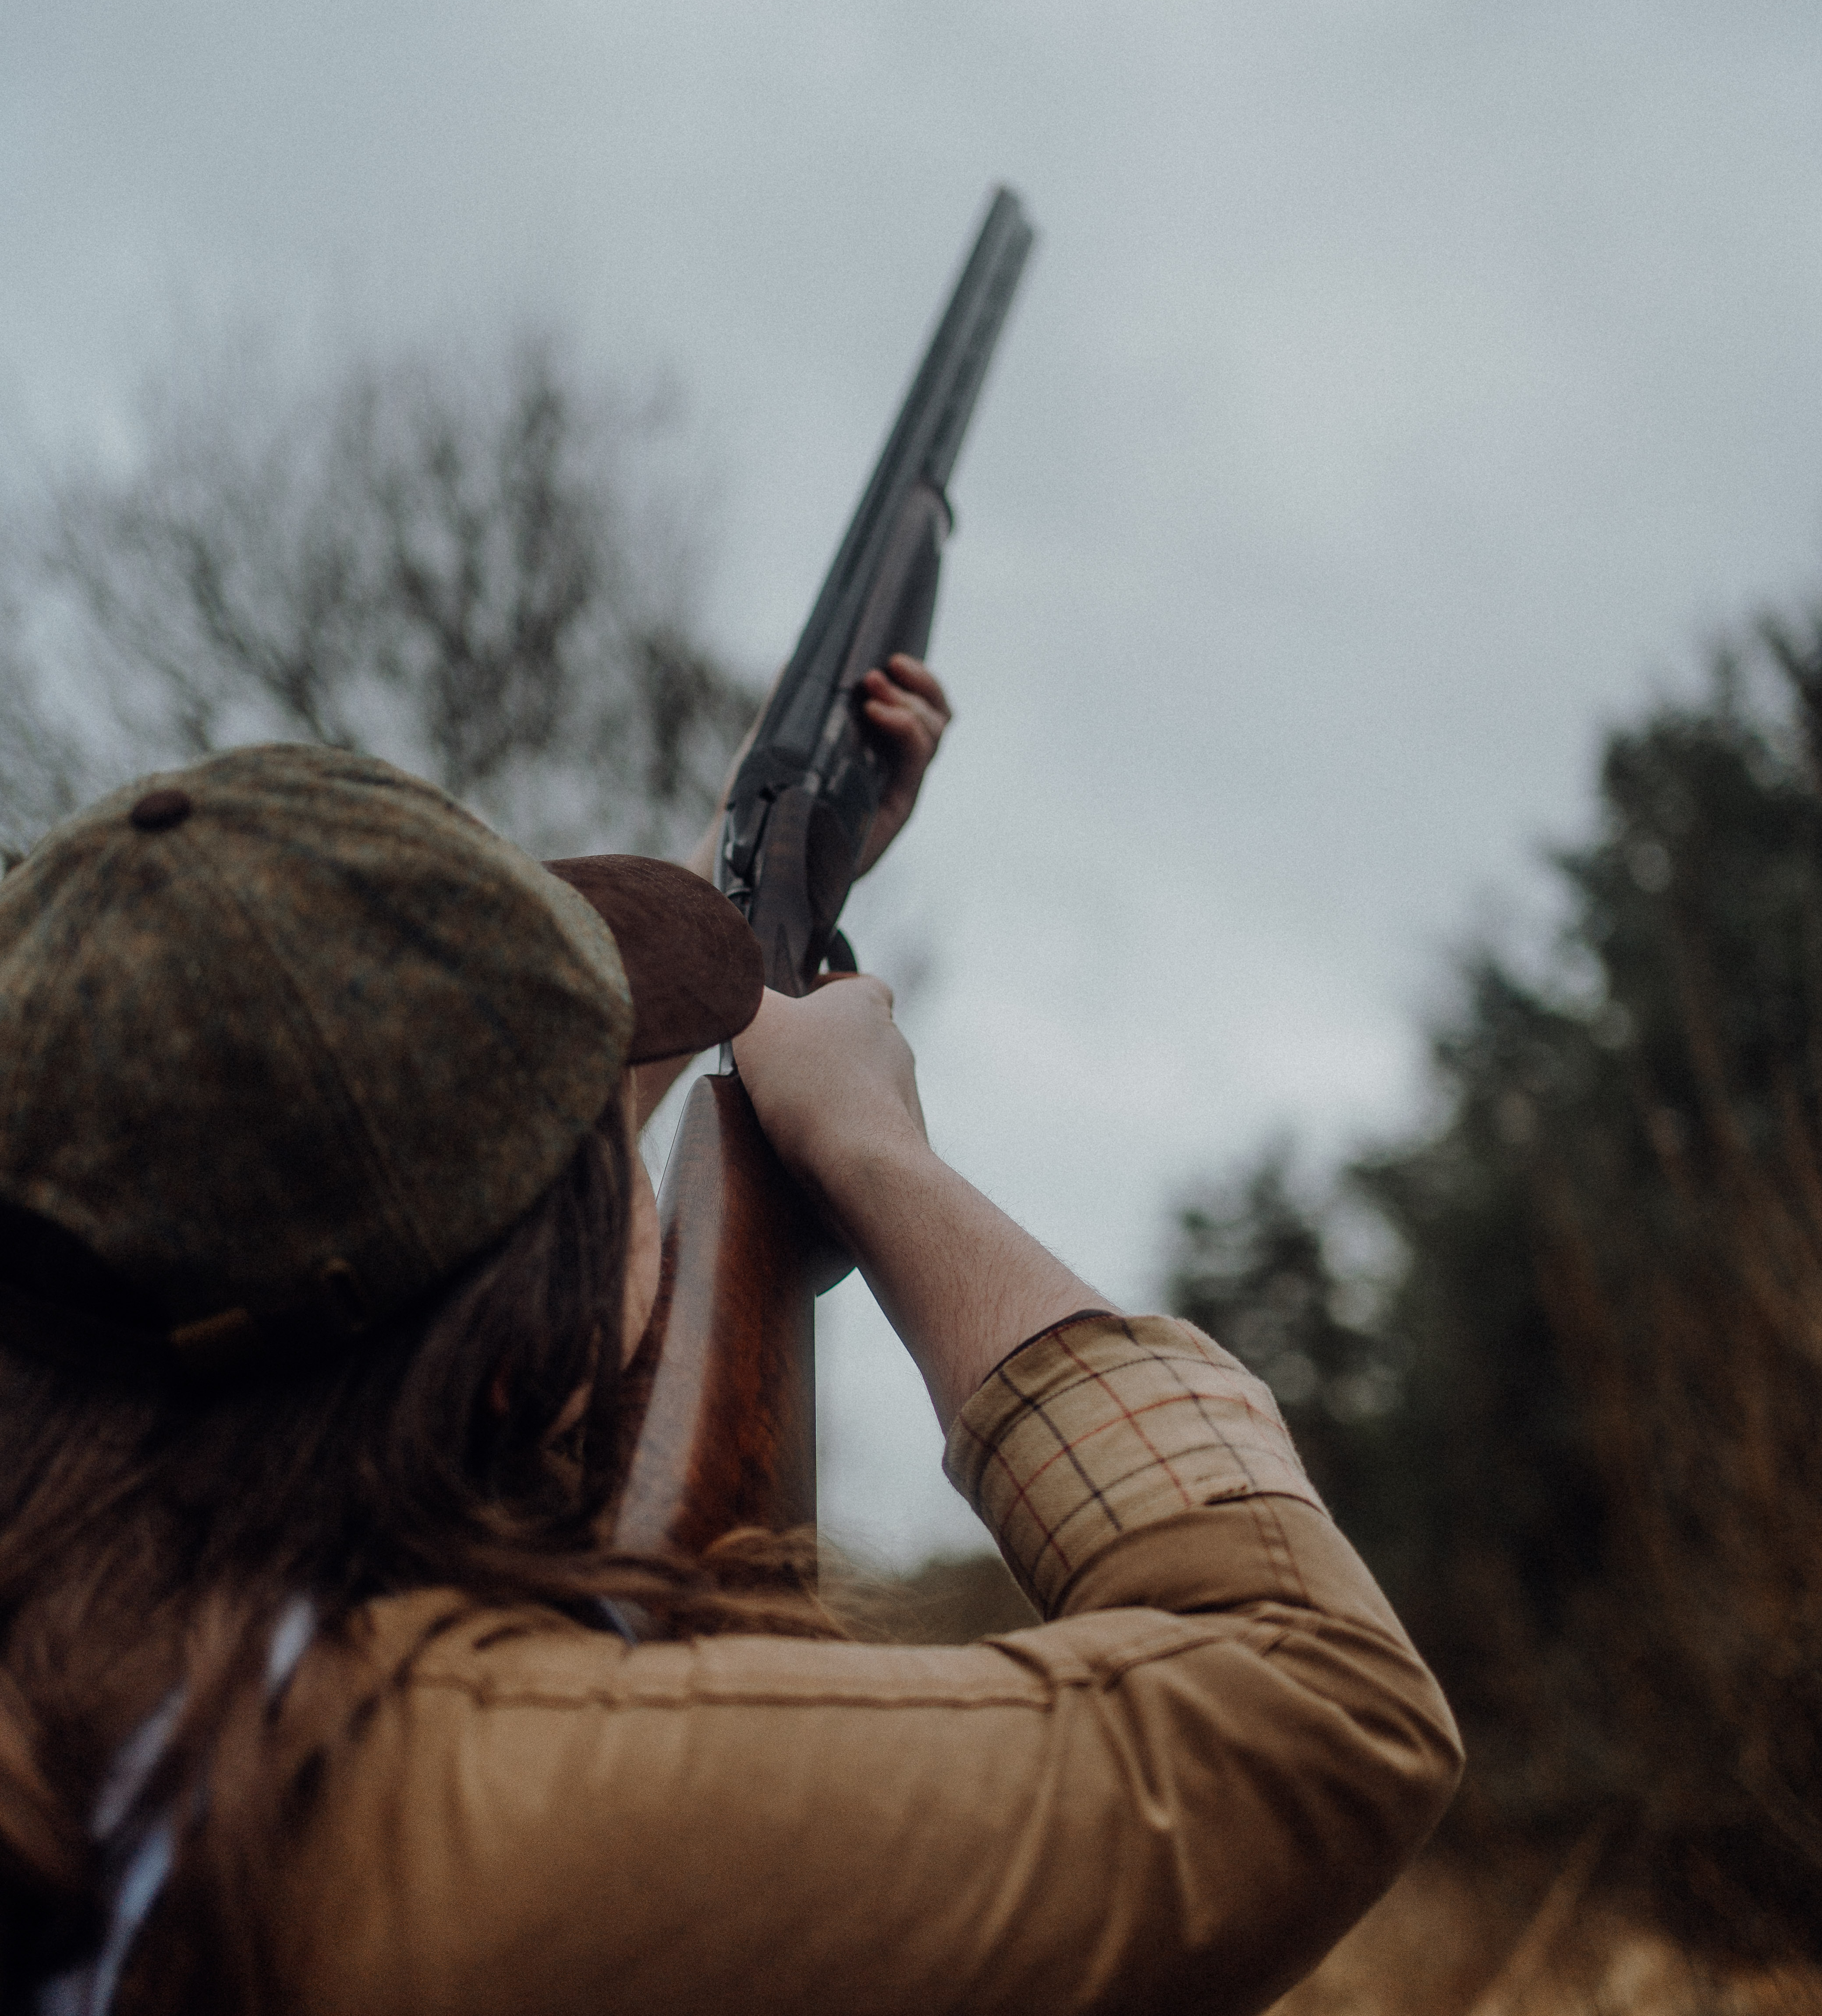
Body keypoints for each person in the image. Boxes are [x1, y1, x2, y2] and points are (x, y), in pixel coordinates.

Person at [0, 655, 1461, 2016]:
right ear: (522, 1349)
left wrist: (750, 892)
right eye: (595, 1151)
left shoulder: (74, 1690)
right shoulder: (478, 1811)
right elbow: (1322, 1714)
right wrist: (878, 1155)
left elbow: (382, 1216)